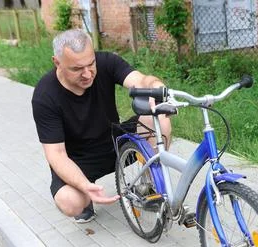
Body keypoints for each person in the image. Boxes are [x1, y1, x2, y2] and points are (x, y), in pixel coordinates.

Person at [31, 29, 171, 223]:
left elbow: (139, 80)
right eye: (77, 69)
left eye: (91, 64)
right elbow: (56, 154)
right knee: (70, 201)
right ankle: (85, 196)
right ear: (57, 62)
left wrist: (155, 86)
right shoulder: (45, 95)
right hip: (80, 162)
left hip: (115, 141)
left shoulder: (106, 61)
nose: (87, 74)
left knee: (159, 119)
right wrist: (83, 185)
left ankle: (147, 185)